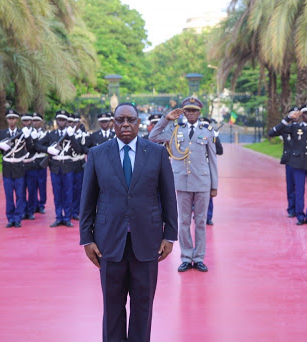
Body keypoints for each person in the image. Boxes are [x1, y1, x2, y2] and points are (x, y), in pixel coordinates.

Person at [80, 102, 178, 342]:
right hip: (108, 243)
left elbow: (168, 195)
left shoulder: (156, 153)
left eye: (130, 120)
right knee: (112, 308)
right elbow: (88, 199)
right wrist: (87, 238)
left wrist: (170, 235)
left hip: (147, 242)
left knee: (142, 308)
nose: (125, 124)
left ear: (138, 123)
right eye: (120, 120)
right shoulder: (97, 154)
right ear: (113, 123)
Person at [149, 96, 218, 272]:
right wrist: (166, 119)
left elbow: (213, 160)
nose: (191, 113)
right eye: (188, 110)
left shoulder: (207, 131)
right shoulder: (175, 129)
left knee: (201, 222)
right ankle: (187, 257)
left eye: (194, 110)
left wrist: (214, 185)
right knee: (184, 221)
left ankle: (199, 257)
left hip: (202, 181)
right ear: (183, 112)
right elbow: (153, 136)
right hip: (182, 181)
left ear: (199, 112)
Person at [268, 104, 307, 226]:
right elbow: (272, 132)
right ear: (301, 114)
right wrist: (287, 118)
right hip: (297, 164)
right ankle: (300, 216)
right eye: (305, 113)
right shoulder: (294, 127)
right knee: (299, 191)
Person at [0, 109, 34, 228]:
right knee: (9, 195)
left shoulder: (23, 133)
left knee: (20, 195)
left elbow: (31, 149)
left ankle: (18, 218)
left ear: (17, 120)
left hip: (19, 167)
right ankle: (10, 218)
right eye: (9, 118)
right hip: (7, 167)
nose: (11, 121)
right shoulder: (1, 134)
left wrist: (28, 137)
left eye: (13, 118)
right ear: (7, 120)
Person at [36, 110, 82, 227]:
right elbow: (38, 145)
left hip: (67, 165)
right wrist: (48, 150)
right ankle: (58, 217)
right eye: (59, 120)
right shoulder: (51, 135)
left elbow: (77, 150)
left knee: (68, 192)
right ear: (57, 121)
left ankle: (67, 217)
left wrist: (71, 136)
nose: (61, 122)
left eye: (63, 120)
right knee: (57, 193)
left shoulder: (71, 134)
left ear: (67, 121)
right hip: (55, 166)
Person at [199, 117, 223, 225]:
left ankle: (208, 216)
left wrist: (216, 138)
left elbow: (220, 151)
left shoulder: (212, 135)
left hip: (207, 168)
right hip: (196, 167)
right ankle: (198, 213)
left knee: (208, 195)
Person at [277, 107, 299, 218]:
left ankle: (299, 208)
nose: (295, 117)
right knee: (290, 186)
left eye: (297, 114)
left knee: (299, 187)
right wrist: (287, 119)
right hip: (289, 161)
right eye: (292, 114)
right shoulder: (286, 129)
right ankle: (291, 208)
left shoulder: (303, 127)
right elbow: (274, 131)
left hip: (301, 161)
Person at [29, 112, 48, 214]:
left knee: (42, 184)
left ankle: (41, 204)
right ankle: (34, 204)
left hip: (41, 160)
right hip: (32, 160)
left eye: (37, 121)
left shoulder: (45, 134)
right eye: (33, 121)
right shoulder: (29, 133)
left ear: (41, 122)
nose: (35, 123)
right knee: (32, 184)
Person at [20, 113, 36, 220]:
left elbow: (34, 148)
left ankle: (30, 211)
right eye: (24, 121)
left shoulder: (34, 133)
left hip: (31, 163)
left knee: (31, 190)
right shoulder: (18, 133)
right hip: (20, 164)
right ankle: (22, 210)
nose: (26, 123)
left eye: (28, 121)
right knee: (21, 190)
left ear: (31, 121)